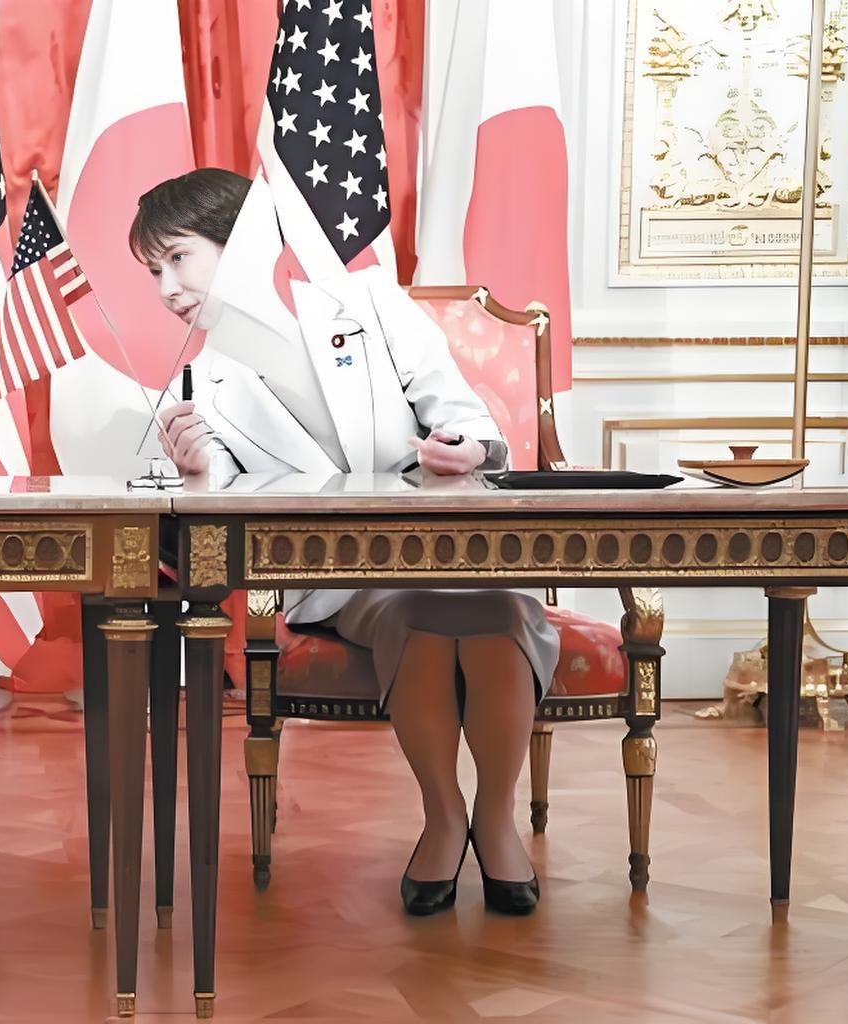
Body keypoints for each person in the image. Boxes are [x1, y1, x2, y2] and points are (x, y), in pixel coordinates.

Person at [130, 169, 558, 916]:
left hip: (450, 547)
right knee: (419, 613)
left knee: (493, 606)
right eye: (152, 271)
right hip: (337, 576)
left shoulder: (367, 302)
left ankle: (494, 816)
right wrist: (197, 471)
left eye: (177, 258)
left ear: (240, 241)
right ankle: (444, 815)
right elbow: (221, 512)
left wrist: (463, 450)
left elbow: (470, 422)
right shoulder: (198, 382)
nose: (166, 288)